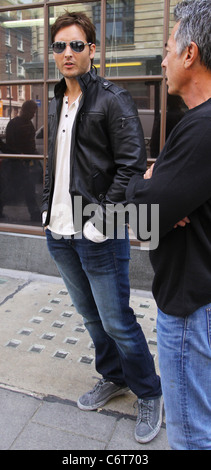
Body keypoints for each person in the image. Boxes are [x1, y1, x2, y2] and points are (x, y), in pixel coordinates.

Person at [42, 11, 162, 444]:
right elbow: (56, 165)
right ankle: (114, 376)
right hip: (60, 233)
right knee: (91, 317)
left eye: (77, 45)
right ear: (53, 53)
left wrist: (101, 222)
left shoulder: (112, 98)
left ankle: (150, 391)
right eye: (60, 46)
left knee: (117, 320)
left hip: (97, 232)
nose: (68, 53)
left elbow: (131, 167)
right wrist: (45, 209)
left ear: (93, 50)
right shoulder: (60, 98)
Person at [126, 0, 211, 450]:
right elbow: (156, 208)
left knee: (190, 435)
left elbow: (143, 215)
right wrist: (156, 188)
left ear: (190, 54)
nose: (162, 60)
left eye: (167, 47)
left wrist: (148, 185)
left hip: (188, 303)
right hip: (198, 295)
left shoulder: (202, 128)